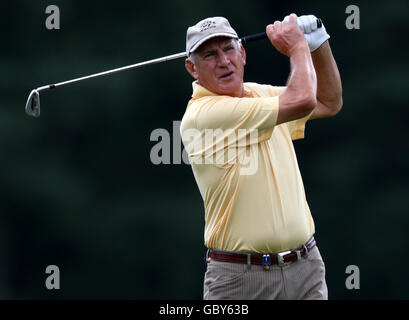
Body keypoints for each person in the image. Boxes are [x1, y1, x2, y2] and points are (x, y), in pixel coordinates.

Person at [180, 14, 342, 300]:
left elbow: (328, 101)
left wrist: (318, 42)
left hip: (306, 267)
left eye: (228, 49)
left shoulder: (259, 94)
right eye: (209, 55)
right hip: (241, 280)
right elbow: (303, 99)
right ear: (192, 68)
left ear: (242, 53)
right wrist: (298, 47)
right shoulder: (203, 115)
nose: (223, 61)